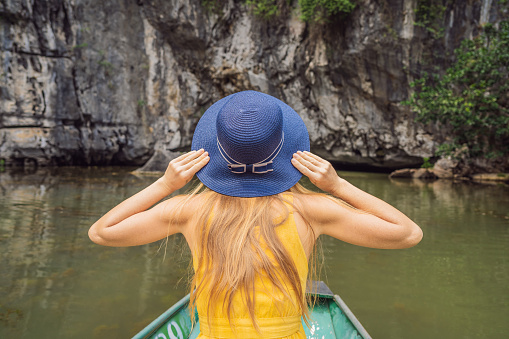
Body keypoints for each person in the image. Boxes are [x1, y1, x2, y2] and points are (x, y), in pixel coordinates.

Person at [88, 91, 422, 339]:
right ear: (286, 151)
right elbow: (407, 233)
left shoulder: (189, 209)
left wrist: (164, 184)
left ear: (217, 153)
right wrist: (338, 185)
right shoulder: (312, 210)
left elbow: (103, 232)